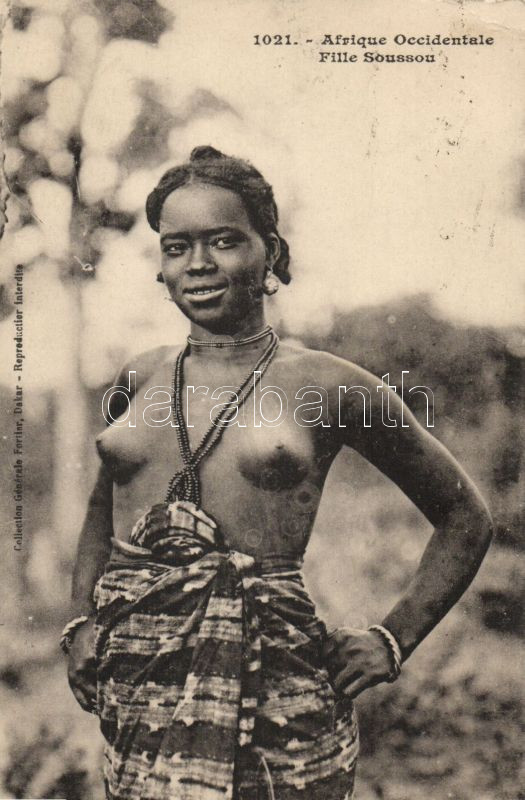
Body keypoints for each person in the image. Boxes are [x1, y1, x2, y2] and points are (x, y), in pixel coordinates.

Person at [63, 146, 493, 800]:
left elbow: (465, 517)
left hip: (272, 694)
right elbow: (104, 505)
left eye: (224, 241)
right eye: (177, 247)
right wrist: (79, 622)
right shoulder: (139, 375)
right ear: (160, 266)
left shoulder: (326, 384)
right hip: (137, 696)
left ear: (271, 252)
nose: (198, 264)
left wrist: (390, 639)